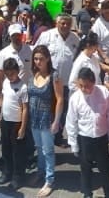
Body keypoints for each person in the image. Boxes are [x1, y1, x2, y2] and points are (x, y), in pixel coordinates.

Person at [66, 67, 109, 198]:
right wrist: (74, 144)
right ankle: (87, 193)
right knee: (85, 169)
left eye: (87, 86)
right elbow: (71, 122)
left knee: (105, 169)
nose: (84, 89)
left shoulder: (104, 93)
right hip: (84, 138)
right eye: (81, 86)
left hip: (101, 137)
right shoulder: (75, 98)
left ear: (93, 82)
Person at [27, 45, 65, 197]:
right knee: (38, 147)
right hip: (34, 117)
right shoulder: (34, 73)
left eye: (41, 59)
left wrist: (56, 121)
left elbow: (60, 98)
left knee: (48, 150)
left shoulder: (54, 76)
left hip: (46, 118)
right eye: (35, 59)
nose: (38, 62)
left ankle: (50, 180)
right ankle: (41, 172)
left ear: (48, 59)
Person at [0, 57, 29, 187]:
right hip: (6, 121)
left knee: (17, 152)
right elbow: (3, 100)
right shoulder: (5, 83)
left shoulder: (23, 87)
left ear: (18, 71)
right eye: (7, 74)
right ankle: (7, 172)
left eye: (12, 74)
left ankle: (17, 176)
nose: (10, 77)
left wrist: (23, 127)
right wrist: (0, 116)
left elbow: (25, 108)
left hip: (17, 123)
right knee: (6, 149)